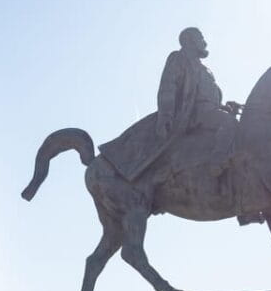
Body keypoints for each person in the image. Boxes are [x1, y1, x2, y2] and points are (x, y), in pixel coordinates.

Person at [99, 26, 239, 181]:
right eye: (200, 38)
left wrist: (223, 107)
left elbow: (206, 96)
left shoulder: (205, 69)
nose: (204, 42)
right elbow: (168, 87)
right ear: (189, 41)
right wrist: (166, 116)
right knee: (228, 123)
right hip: (193, 115)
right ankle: (217, 162)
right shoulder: (178, 58)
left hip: (208, 112)